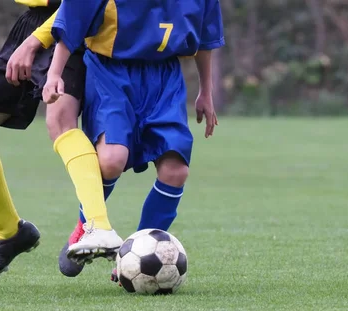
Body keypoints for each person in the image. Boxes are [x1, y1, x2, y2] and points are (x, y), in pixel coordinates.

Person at [0, 0, 121, 281]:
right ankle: (11, 233)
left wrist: (35, 43)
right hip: (29, 26)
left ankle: (97, 225)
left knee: (60, 121)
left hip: (72, 29)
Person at [43, 0, 225, 279]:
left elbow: (205, 38)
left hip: (165, 78)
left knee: (176, 171)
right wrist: (54, 73)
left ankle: (132, 259)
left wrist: (206, 91)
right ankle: (88, 224)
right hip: (111, 72)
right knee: (112, 160)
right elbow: (72, 19)